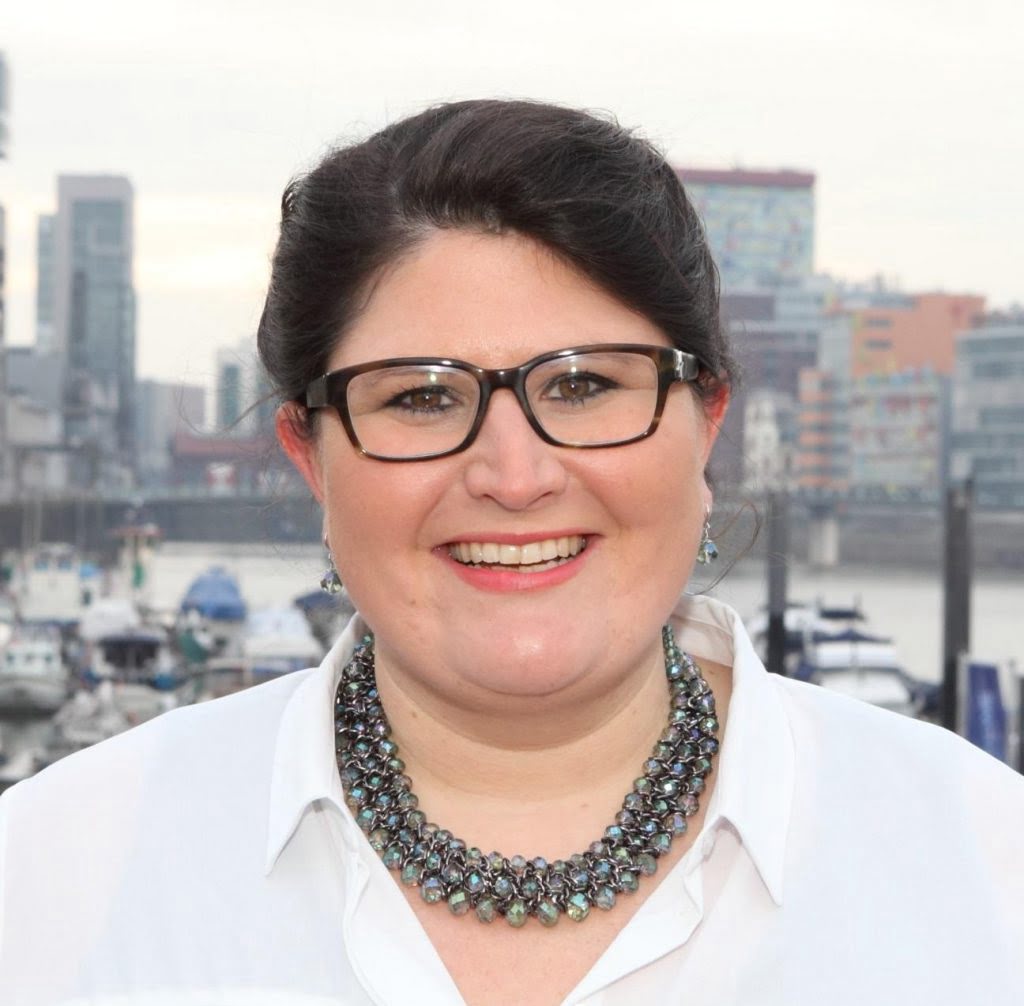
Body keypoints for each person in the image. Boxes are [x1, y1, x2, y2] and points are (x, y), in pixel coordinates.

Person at [1, 99, 1022, 1006]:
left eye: (583, 385)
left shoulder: (984, 862)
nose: (514, 472)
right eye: (420, 397)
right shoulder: (50, 874)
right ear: (310, 456)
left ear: (707, 422)